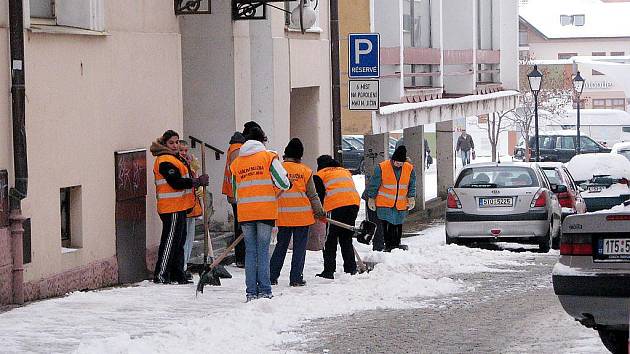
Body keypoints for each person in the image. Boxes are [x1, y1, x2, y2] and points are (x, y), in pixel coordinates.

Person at [230, 126, 291, 302]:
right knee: (263, 252)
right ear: (262, 140)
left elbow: (235, 192)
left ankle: (251, 292)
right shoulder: (268, 157)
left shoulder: (237, 164)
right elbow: (283, 182)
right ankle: (264, 290)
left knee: (250, 252)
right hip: (265, 211)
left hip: (245, 213)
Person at [150, 130, 209, 284]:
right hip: (171, 208)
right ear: (165, 144)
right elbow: (175, 182)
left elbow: (185, 178)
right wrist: (196, 182)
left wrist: (196, 178)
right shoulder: (164, 160)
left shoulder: (177, 159)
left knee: (179, 242)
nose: (175, 145)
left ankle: (178, 274)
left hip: (181, 206)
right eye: (171, 143)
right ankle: (161, 274)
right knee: (170, 241)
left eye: (177, 142)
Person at [269, 138, 326, 287]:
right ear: (300, 156)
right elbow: (313, 195)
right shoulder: (305, 171)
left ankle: (272, 276)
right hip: (302, 217)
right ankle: (296, 278)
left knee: (281, 246)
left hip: (283, 215)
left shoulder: (278, 169)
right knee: (299, 249)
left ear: (286, 153)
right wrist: (319, 211)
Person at [313, 155, 361, 279]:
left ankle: (329, 271)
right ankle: (350, 269)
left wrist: (318, 212)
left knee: (329, 239)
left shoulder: (320, 175)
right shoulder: (344, 171)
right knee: (346, 237)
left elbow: (319, 196)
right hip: (353, 204)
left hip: (335, 206)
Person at [365, 145, 416, 252]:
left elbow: (412, 184)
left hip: (397, 204)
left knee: (395, 224)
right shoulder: (382, 167)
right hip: (380, 202)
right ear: (393, 159)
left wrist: (411, 197)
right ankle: (379, 248)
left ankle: (393, 247)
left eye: (401, 163)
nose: (399, 165)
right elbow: (373, 185)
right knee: (380, 226)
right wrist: (371, 198)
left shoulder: (409, 168)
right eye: (397, 162)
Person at [178, 140, 202, 280]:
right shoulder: (180, 165)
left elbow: (195, 179)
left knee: (190, 238)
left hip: (192, 206)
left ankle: (185, 264)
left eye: (186, 150)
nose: (184, 153)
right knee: (184, 239)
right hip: (183, 206)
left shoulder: (191, 164)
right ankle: (182, 266)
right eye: (182, 150)